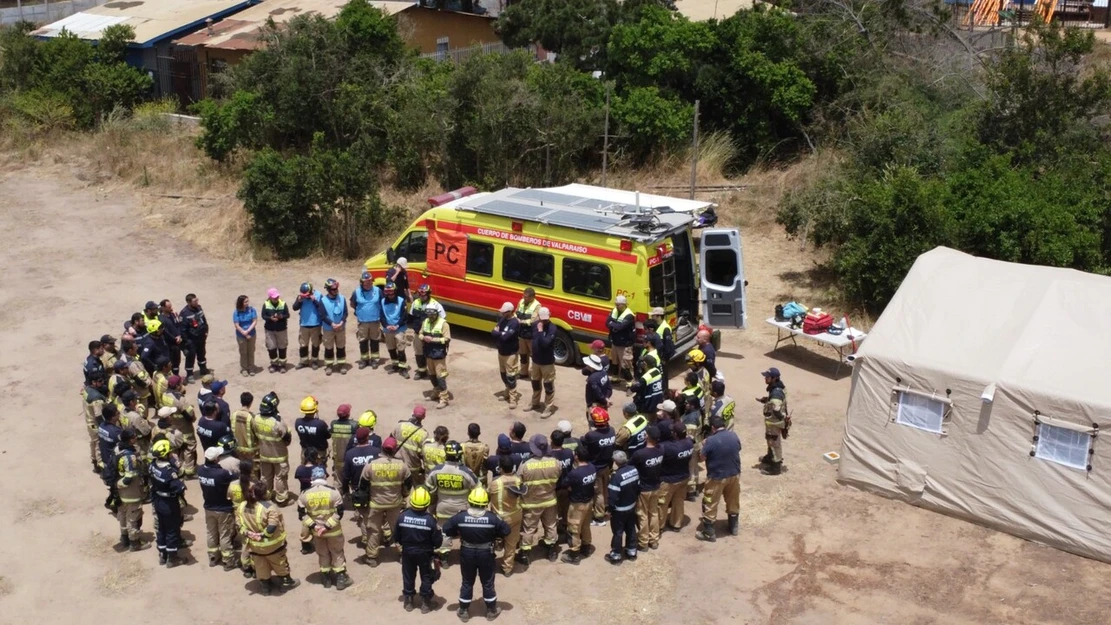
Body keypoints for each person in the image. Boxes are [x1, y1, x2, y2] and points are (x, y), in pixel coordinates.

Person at [443, 487, 510, 621]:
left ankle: (463, 611)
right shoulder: (492, 518)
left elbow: (446, 528)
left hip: (467, 553)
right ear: (485, 503)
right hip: (486, 553)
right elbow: (506, 530)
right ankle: (491, 610)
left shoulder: (460, 516)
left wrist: (459, 531)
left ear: (469, 501)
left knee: (467, 581)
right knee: (487, 582)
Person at [240, 481, 301, 595]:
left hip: (254, 546)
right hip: (273, 545)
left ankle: (265, 586)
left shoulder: (242, 506)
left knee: (260, 565)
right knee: (280, 564)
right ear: (264, 493)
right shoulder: (269, 508)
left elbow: (239, 524)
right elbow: (271, 528)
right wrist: (261, 535)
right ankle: (286, 582)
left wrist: (248, 534)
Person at [357, 436, 410, 567]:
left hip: (376, 504)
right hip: (395, 503)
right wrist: (404, 495)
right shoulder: (402, 466)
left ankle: (372, 557)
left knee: (373, 530)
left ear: (382, 448)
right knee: (397, 529)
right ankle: (403, 554)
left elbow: (362, 486)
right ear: (395, 450)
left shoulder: (371, 465)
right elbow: (408, 484)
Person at [299, 466, 352, 590]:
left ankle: (326, 578)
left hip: (317, 532)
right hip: (334, 531)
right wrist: (327, 527)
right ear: (324, 477)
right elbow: (339, 513)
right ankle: (340, 578)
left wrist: (315, 526)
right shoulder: (333, 492)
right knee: (337, 552)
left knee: (322, 553)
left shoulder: (304, 494)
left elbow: (302, 515)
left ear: (312, 478)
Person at [426, 441, 478, 560]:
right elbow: (478, 489)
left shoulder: (436, 470)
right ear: (459, 455)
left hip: (443, 509)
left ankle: (443, 557)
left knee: (444, 533)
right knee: (465, 531)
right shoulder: (466, 472)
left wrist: (431, 508)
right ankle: (466, 553)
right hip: (463, 510)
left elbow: (428, 489)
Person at [395, 486, 443, 613]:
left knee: (408, 575)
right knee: (427, 576)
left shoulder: (402, 516)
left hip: (407, 552)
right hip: (425, 554)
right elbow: (437, 541)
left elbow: (396, 537)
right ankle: (426, 603)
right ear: (427, 504)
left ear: (412, 501)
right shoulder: (431, 520)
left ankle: (408, 601)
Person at [517, 434, 561, 564]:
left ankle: (525, 554)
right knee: (551, 525)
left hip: (531, 503)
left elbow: (519, 482)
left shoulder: (526, 465)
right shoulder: (556, 463)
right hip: (550, 501)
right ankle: (552, 550)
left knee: (529, 528)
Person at [697, 416, 742, 542]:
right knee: (733, 500)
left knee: (710, 503)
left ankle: (708, 533)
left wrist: (703, 445)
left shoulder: (711, 441)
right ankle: (734, 527)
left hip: (716, 477)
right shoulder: (733, 435)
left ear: (712, 427)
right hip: (734, 475)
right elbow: (738, 448)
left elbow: (701, 458)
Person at [198, 446, 238, 569]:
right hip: (223, 508)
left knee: (211, 532)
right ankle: (228, 561)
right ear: (216, 459)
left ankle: (213, 557)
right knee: (224, 535)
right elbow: (236, 477)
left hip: (208, 507)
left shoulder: (200, 470)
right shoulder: (222, 473)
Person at [149, 439, 187, 567]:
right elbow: (180, 488)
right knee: (172, 529)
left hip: (158, 500)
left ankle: (163, 554)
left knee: (162, 528)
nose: (171, 453)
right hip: (169, 503)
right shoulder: (169, 472)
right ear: (165, 454)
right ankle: (172, 558)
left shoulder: (153, 465)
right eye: (169, 452)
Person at [487, 456, 525, 576]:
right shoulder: (518, 480)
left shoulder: (495, 483)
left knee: (489, 541)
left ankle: (489, 564)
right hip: (515, 516)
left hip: (499, 519)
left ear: (501, 468)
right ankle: (507, 568)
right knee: (511, 544)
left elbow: (487, 497)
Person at [253, 392, 292, 505]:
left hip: (264, 455)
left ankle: (265, 496)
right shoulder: (277, 422)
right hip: (279, 456)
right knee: (280, 477)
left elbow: (255, 435)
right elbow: (287, 440)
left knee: (265, 476)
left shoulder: (256, 418)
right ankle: (281, 499)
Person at [559, 446, 596, 564]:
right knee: (585, 526)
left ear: (576, 457)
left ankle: (574, 554)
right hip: (589, 502)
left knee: (573, 529)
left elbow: (565, 484)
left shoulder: (575, 473)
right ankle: (586, 547)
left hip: (577, 506)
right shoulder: (592, 468)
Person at [113, 429, 147, 551]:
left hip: (120, 493)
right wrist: (119, 484)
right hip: (130, 492)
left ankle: (124, 538)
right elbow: (129, 478)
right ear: (129, 440)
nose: (136, 438)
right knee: (133, 517)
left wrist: (116, 485)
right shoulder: (130, 457)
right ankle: (135, 542)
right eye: (133, 437)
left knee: (122, 514)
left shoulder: (117, 449)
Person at [582, 406, 616, 525]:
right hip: (606, 465)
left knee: (598, 493)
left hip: (595, 468)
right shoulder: (612, 431)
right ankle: (605, 507)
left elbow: (584, 445)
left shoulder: (591, 436)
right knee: (605, 488)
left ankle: (599, 517)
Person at [632, 426, 664, 551]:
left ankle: (643, 542)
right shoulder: (661, 450)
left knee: (643, 515)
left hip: (643, 489)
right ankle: (654, 540)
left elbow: (630, 465)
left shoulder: (640, 454)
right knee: (654, 513)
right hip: (656, 487)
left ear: (647, 436)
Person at [604, 450, 640, 564]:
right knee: (631, 528)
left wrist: (609, 510)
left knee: (618, 532)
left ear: (615, 462)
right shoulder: (634, 470)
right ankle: (631, 551)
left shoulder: (616, 477)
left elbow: (612, 497)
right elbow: (638, 487)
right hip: (632, 506)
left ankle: (616, 555)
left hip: (619, 511)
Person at [660, 421, 694, 532]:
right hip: (684, 478)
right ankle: (676, 524)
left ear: (675, 434)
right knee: (679, 501)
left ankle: (659, 526)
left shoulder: (667, 447)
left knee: (662, 504)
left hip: (668, 480)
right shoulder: (689, 443)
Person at [419, 303, 452, 409]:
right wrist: (423, 338)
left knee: (440, 377)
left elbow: (447, 339)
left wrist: (433, 340)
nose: (430, 316)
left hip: (438, 354)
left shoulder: (444, 324)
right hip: (428, 353)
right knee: (432, 375)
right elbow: (420, 333)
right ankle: (436, 392)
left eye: (432, 314)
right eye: (428, 314)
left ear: (437, 313)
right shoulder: (425, 321)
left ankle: (444, 399)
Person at [409, 284, 444, 381]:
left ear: (428, 294)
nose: (421, 296)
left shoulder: (435, 304)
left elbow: (442, 319)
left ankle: (435, 373)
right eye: (420, 294)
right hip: (418, 334)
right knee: (419, 353)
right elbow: (411, 317)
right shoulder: (415, 303)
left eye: (423, 294)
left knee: (433, 354)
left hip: (431, 335)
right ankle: (422, 371)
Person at [527, 307, 556, 416]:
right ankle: (535, 403)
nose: (543, 321)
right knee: (535, 382)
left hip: (547, 362)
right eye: (541, 318)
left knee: (548, 385)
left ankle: (549, 407)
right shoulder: (535, 325)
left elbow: (545, 343)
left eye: (545, 319)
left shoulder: (552, 328)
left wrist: (540, 330)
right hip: (535, 360)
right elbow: (532, 339)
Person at [351, 271, 384, 370]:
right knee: (363, 341)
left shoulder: (378, 290)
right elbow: (352, 304)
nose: (368, 283)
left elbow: (383, 303)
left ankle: (375, 360)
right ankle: (364, 360)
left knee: (375, 340)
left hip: (375, 321)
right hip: (363, 322)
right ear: (362, 282)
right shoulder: (356, 292)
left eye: (370, 281)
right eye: (366, 282)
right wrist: (360, 312)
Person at [491, 302, 521, 408]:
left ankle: (513, 399)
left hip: (510, 354)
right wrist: (501, 333)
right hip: (501, 352)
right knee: (503, 374)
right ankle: (507, 391)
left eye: (504, 312)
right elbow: (492, 332)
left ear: (510, 312)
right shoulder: (503, 319)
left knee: (511, 376)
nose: (502, 313)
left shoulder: (514, 323)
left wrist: (499, 333)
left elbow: (506, 337)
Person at [392, 405, 430, 485]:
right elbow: (423, 454)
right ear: (423, 417)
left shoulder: (400, 425)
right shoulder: (424, 434)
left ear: (412, 413)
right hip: (413, 468)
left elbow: (390, 442)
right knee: (417, 487)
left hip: (397, 464)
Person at [380, 282, 411, 378]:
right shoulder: (382, 301)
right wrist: (386, 326)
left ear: (395, 291)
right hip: (388, 329)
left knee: (401, 348)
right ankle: (395, 365)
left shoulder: (401, 301)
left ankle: (403, 368)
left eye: (391, 291)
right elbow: (382, 316)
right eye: (387, 291)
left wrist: (397, 325)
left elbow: (404, 316)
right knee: (391, 348)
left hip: (399, 329)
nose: (389, 293)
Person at [319, 278, 349, 375]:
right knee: (329, 347)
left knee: (341, 347)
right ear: (328, 290)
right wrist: (332, 324)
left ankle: (341, 365)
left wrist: (341, 323)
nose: (336, 290)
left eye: (336, 288)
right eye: (333, 289)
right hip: (328, 329)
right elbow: (323, 316)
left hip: (341, 328)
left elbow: (345, 313)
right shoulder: (323, 301)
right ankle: (329, 365)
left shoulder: (342, 298)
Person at [98, 405, 124, 513]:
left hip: (105, 459)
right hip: (113, 462)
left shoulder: (101, 426)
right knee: (117, 485)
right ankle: (114, 504)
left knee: (112, 483)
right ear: (112, 417)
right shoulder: (116, 432)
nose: (119, 414)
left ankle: (111, 500)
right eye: (117, 413)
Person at [293, 282, 324, 370]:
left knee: (315, 344)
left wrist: (314, 301)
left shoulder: (319, 295)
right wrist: (299, 301)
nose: (305, 296)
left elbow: (322, 309)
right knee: (303, 344)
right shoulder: (301, 296)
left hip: (315, 324)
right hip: (304, 325)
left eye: (307, 294)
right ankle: (304, 361)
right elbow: (294, 308)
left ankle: (314, 361)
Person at [606, 295, 636, 383]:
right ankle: (615, 378)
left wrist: (612, 324)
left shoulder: (629, 315)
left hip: (625, 344)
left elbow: (620, 327)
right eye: (616, 304)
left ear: (624, 304)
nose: (616, 306)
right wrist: (615, 325)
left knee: (626, 364)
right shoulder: (614, 311)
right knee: (614, 362)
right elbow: (607, 322)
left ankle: (630, 383)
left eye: (618, 304)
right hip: (615, 341)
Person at [180, 293, 210, 382]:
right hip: (191, 339)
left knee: (202, 353)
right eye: (194, 301)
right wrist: (187, 341)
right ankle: (189, 374)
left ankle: (203, 368)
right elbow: (182, 330)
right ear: (189, 302)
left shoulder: (199, 308)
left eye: (197, 300)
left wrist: (206, 331)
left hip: (201, 337)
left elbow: (203, 320)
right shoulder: (184, 313)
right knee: (191, 357)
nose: (197, 302)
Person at [549, 430, 575, 533]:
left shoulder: (550, 455)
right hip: (566, 487)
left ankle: (557, 529)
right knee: (565, 509)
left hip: (554, 488)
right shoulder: (569, 452)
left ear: (552, 441)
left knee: (553, 511)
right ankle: (565, 526)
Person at [295, 396, 331, 464]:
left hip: (305, 452)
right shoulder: (320, 424)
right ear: (315, 409)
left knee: (305, 469)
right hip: (319, 453)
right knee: (319, 470)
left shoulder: (298, 422)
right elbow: (328, 435)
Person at [262, 288, 290, 373]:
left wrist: (281, 316)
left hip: (281, 329)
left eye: (277, 297)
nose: (276, 298)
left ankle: (282, 365)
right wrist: (270, 318)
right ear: (270, 297)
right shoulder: (266, 304)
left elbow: (287, 315)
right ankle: (274, 364)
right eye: (274, 297)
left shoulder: (283, 303)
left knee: (282, 347)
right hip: (270, 330)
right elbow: (263, 316)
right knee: (271, 347)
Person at [83, 375, 108, 472]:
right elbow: (99, 416)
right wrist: (104, 427)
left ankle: (94, 459)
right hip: (95, 424)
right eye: (100, 381)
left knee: (93, 441)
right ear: (93, 382)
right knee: (98, 443)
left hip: (89, 421)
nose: (102, 383)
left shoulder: (87, 389)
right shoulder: (96, 398)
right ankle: (100, 465)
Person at [329, 404, 356, 490]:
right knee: (353, 480)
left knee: (338, 481)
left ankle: (338, 496)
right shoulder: (354, 425)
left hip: (338, 459)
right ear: (348, 414)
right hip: (350, 458)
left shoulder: (333, 424)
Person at [515, 288, 541, 373]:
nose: (524, 298)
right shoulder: (521, 301)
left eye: (526, 297)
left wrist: (521, 322)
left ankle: (535, 374)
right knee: (523, 355)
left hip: (531, 335)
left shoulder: (537, 306)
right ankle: (523, 372)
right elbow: (516, 312)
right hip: (521, 333)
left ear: (532, 297)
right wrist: (515, 319)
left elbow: (533, 320)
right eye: (524, 296)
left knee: (534, 356)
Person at [233, 392, 259, 474]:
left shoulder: (234, 414)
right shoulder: (251, 417)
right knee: (252, 471)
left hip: (237, 448)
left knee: (241, 469)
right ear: (251, 403)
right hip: (250, 450)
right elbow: (256, 432)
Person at [233, 295, 258, 377]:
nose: (247, 303)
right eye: (245, 302)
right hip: (241, 335)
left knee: (251, 351)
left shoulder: (252, 310)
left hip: (251, 333)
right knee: (243, 352)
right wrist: (244, 332)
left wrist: (248, 331)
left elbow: (254, 321)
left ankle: (251, 368)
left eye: (247, 301)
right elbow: (236, 325)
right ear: (241, 303)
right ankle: (244, 368)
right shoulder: (236, 312)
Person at [159, 299, 185, 378]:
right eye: (169, 307)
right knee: (171, 362)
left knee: (177, 361)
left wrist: (179, 336)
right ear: (163, 307)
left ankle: (176, 376)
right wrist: (174, 339)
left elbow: (178, 325)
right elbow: (166, 332)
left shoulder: (173, 315)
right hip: (169, 345)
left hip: (177, 342)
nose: (171, 308)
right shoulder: (161, 319)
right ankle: (172, 378)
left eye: (171, 306)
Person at [462, 424, 490, 488]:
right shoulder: (485, 447)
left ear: (468, 433)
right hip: (481, 480)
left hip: (467, 479)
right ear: (479, 433)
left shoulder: (462, 446)